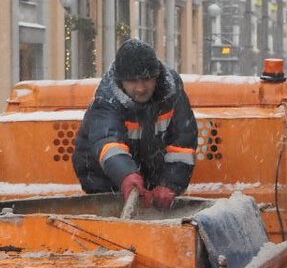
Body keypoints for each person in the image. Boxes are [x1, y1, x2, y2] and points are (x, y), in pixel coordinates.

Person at [72, 39, 197, 210]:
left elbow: (183, 144)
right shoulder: (106, 99)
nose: (140, 88)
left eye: (146, 79)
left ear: (157, 76)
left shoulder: (173, 94)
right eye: (132, 81)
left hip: (151, 177)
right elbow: (108, 142)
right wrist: (126, 175)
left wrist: (169, 184)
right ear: (120, 81)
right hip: (104, 181)